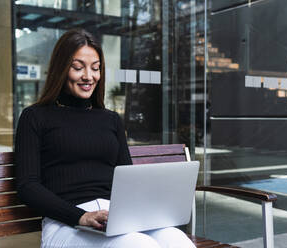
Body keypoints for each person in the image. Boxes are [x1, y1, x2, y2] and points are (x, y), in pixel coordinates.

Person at [15, 28, 196, 248]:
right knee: (138, 245)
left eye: (95, 68)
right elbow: (27, 186)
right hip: (65, 224)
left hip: (115, 218)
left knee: (177, 240)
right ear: (61, 69)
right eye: (78, 67)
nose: (88, 77)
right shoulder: (35, 117)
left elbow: (129, 180)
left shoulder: (110, 119)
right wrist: (80, 216)